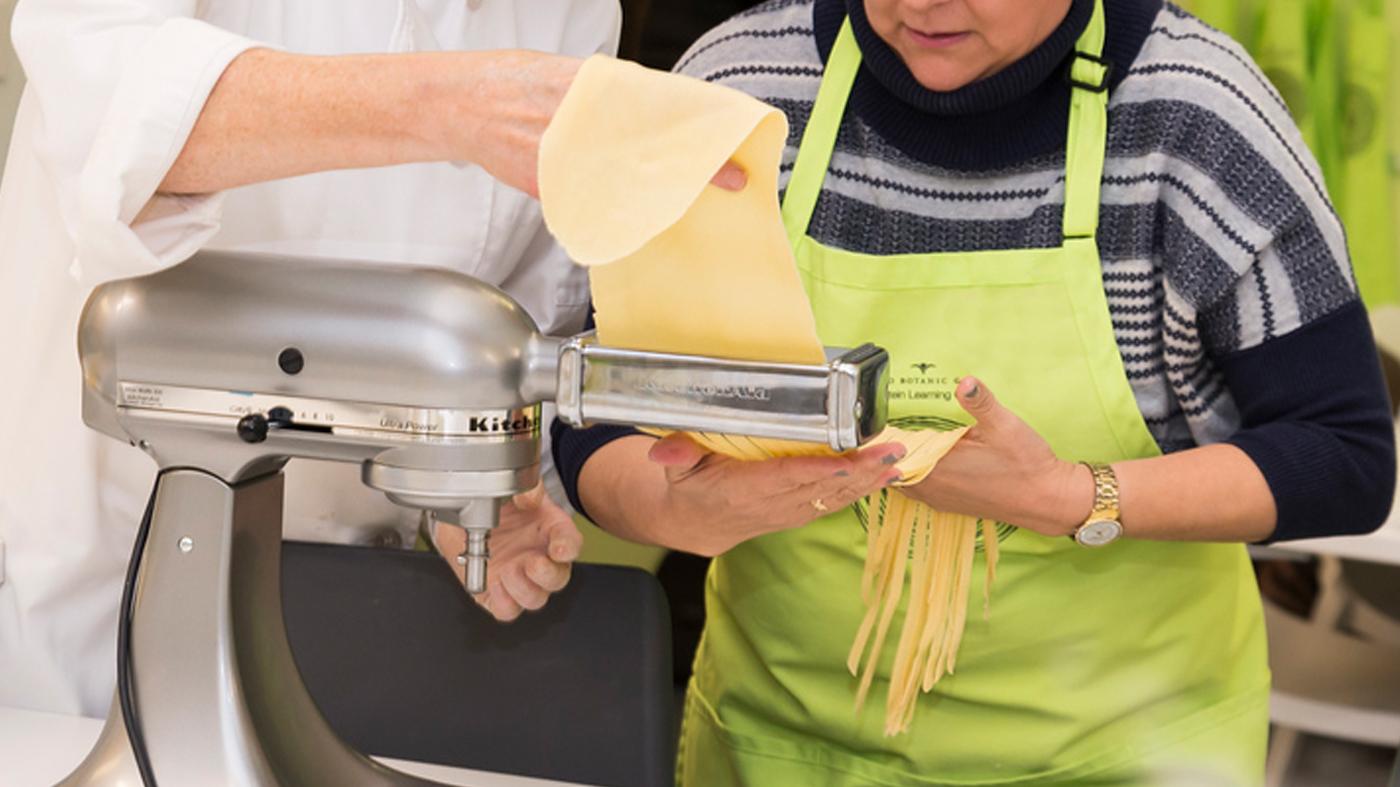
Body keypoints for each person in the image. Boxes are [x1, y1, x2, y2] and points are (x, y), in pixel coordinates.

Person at [551, 0, 1397, 783]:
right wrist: (662, 508)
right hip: (779, 744)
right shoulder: (736, 94)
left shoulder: (1196, 118)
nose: (924, 4)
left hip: (1123, 753)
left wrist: (1072, 493)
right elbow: (598, 403)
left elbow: (1342, 456)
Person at [0, 0, 631, 719]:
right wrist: (451, 104)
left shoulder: (574, 15)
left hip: (340, 628)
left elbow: (505, 345)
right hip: (86, 599)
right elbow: (106, 111)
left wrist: (460, 496)